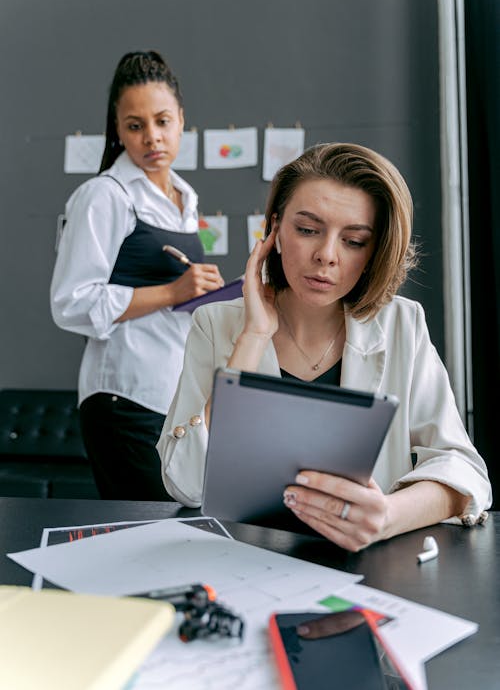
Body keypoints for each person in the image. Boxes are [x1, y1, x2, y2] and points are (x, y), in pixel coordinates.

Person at [157, 142, 492, 550]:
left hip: (373, 568)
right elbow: (185, 484)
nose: (326, 256)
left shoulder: (403, 323)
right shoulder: (215, 323)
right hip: (247, 560)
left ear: (374, 252)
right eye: (308, 230)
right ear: (275, 230)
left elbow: (465, 471)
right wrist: (253, 337)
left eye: (353, 240)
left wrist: (385, 517)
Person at [51, 50, 224, 500]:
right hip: (124, 401)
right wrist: (172, 291)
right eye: (135, 125)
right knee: (145, 541)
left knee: (178, 538)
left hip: (174, 398)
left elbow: (173, 302)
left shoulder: (186, 199)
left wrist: (202, 295)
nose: (152, 137)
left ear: (182, 120)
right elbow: (71, 303)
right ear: (118, 131)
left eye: (163, 121)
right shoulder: (102, 197)